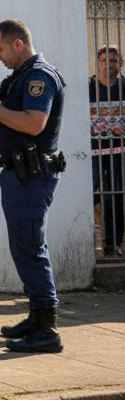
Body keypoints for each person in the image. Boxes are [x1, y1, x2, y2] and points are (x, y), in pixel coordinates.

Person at [0, 19, 66, 354]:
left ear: (17, 44)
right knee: (24, 246)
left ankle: (48, 328)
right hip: (19, 173)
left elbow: (35, 124)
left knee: (31, 245)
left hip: (31, 174)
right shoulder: (22, 76)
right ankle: (38, 317)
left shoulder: (40, 76)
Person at [89, 44, 125, 256]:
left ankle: (112, 244)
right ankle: (89, 242)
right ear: (98, 63)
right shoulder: (88, 86)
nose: (109, 66)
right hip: (92, 151)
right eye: (104, 61)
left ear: (120, 64)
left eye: (113, 61)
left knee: (115, 196)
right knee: (90, 194)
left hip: (119, 150)